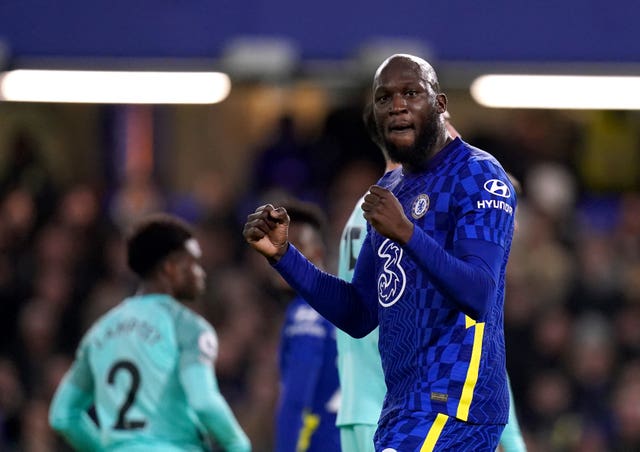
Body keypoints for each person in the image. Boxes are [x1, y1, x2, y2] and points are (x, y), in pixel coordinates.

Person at [243, 54, 517, 451]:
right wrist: (285, 257)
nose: (398, 105)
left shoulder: (477, 174)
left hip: (454, 404)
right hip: (403, 410)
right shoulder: (392, 189)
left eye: (411, 93)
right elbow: (359, 313)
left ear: (440, 104)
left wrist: (406, 232)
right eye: (384, 98)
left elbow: (479, 294)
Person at [337, 106, 527, 452]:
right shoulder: (411, 217)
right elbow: (475, 340)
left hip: (359, 404)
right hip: (408, 409)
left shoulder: (364, 211)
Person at [49, 213, 251, 451]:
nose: (200, 273)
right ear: (170, 268)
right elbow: (204, 401)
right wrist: (238, 444)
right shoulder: (188, 328)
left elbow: (62, 416)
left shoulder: (99, 332)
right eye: (192, 263)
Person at [273, 199, 341, 451]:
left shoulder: (306, 311)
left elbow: (296, 398)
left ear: (319, 252)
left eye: (294, 247)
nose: (279, 255)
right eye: (275, 246)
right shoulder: (341, 304)